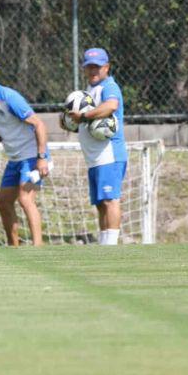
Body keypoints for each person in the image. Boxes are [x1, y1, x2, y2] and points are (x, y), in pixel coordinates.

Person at [0, 61, 50, 246]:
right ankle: (13, 247)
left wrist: (41, 158)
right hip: (15, 159)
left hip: (32, 157)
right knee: (2, 202)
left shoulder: (9, 97)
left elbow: (39, 124)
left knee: (26, 199)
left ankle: (38, 248)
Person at [63, 48, 128, 246]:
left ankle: (111, 247)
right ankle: (104, 246)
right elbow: (87, 123)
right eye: (89, 67)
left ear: (106, 67)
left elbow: (111, 106)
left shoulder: (109, 86)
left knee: (110, 200)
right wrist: (69, 122)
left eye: (97, 67)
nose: (93, 70)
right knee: (100, 204)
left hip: (109, 155)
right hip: (95, 159)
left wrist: (83, 116)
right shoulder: (88, 91)